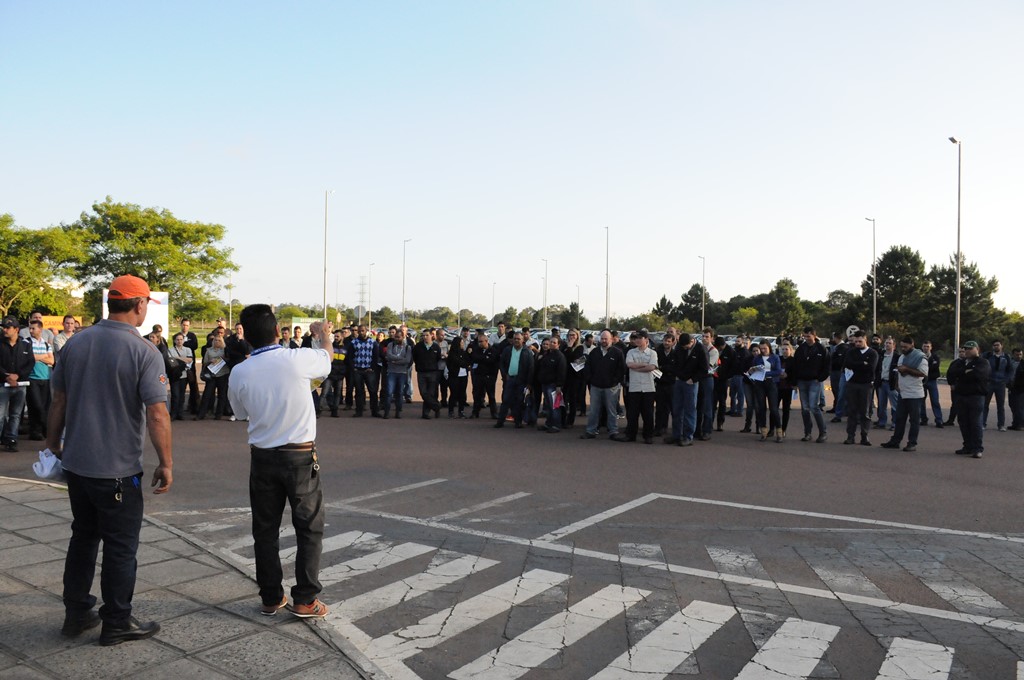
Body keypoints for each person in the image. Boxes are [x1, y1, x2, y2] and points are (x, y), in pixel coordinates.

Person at [47, 274, 172, 645]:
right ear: (138, 305)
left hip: (77, 465)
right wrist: (166, 462)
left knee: (83, 538)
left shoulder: (76, 343)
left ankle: (76, 613)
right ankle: (117, 620)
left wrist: (54, 443)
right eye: (146, 303)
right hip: (117, 470)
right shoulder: (144, 352)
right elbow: (157, 414)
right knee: (120, 547)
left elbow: (58, 401)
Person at [228, 306, 332, 619]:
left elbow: (241, 412)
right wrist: (322, 334)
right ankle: (305, 598)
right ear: (278, 331)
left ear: (245, 335)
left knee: (265, 530)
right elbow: (326, 358)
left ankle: (272, 596)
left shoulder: (240, 371)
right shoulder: (296, 360)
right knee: (309, 528)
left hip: (261, 457)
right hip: (299, 456)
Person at [881, 336, 927, 452]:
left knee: (914, 420)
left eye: (905, 347)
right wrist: (897, 383)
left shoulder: (920, 357)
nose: (903, 349)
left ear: (912, 345)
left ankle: (912, 443)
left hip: (915, 394)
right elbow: (898, 371)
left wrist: (907, 369)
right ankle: (895, 441)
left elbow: (923, 373)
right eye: (901, 347)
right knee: (900, 418)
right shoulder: (902, 356)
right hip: (903, 392)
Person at [579, 330, 625, 439]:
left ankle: (613, 431)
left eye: (606, 339)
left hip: (612, 387)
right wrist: (591, 379)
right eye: (602, 338)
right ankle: (591, 431)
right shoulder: (594, 352)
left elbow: (621, 370)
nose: (604, 341)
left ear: (611, 340)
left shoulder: (617, 353)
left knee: (611, 410)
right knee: (594, 410)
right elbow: (588, 367)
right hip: (596, 386)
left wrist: (614, 381)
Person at [664, 333, 707, 447]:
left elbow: (704, 369)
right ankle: (676, 435)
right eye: (682, 346)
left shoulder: (700, 349)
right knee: (677, 409)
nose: (684, 348)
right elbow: (675, 362)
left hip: (691, 383)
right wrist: (676, 374)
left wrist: (693, 379)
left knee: (690, 410)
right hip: (679, 381)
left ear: (692, 341)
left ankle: (688, 436)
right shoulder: (680, 347)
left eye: (686, 346)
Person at [948, 341, 989, 458]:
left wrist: (963, 374)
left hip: (976, 396)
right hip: (961, 396)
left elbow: (979, 375)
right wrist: (965, 372)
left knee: (975, 422)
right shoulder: (960, 363)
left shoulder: (983, 362)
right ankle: (968, 446)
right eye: (966, 349)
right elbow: (951, 374)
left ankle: (977, 448)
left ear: (977, 349)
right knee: (963, 422)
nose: (967, 351)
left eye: (970, 349)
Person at [616, 329, 658, 444]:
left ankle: (648, 435)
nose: (637, 340)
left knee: (648, 413)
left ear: (646, 340)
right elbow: (629, 364)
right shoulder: (631, 352)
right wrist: (644, 364)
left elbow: (652, 367)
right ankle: (631, 435)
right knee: (632, 413)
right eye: (636, 338)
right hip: (634, 387)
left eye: (640, 338)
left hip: (648, 387)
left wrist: (638, 367)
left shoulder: (652, 353)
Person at [0, 315, 34, 452]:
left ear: (16, 329)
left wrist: (18, 375)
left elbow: (30, 363)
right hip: (2, 385)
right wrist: (6, 376)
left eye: (8, 327)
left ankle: (11, 439)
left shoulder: (26, 344)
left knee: (15, 414)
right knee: (1, 415)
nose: (5, 330)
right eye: (3, 327)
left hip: (20, 385)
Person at [793, 326, 830, 443]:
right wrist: (795, 381)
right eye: (804, 336)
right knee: (805, 409)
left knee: (814, 407)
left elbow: (827, 365)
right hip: (802, 381)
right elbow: (795, 365)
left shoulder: (821, 349)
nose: (806, 338)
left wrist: (820, 378)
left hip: (815, 381)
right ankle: (807, 433)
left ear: (814, 336)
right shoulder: (800, 349)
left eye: (808, 336)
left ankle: (823, 432)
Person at [842, 331, 878, 446]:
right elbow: (847, 364)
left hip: (866, 385)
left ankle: (864, 436)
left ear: (865, 340)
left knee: (865, 412)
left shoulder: (873, 353)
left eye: (860, 341)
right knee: (852, 410)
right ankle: (850, 436)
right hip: (852, 383)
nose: (857, 343)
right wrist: (862, 363)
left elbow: (871, 368)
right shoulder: (851, 351)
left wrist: (858, 365)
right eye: (855, 341)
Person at [495, 331, 534, 429]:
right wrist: (505, 375)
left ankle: (518, 422)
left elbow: (531, 368)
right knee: (506, 400)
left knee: (519, 402)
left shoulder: (527, 352)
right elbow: (502, 363)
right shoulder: (507, 350)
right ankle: (500, 421)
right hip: (509, 379)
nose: (516, 340)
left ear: (523, 340)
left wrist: (529, 383)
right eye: (515, 338)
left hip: (522, 381)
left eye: (518, 339)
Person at [25, 319, 55, 440]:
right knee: (36, 405)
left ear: (40, 329)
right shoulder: (26, 342)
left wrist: (37, 357)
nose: (31, 330)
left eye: (33, 328)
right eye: (30, 328)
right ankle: (45, 429)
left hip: (45, 378)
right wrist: (44, 356)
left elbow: (52, 361)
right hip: (32, 378)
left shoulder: (46, 344)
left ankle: (36, 431)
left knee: (44, 405)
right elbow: (29, 357)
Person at [748, 340, 782, 442]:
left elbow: (778, 371)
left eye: (765, 348)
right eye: (761, 349)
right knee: (761, 408)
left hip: (771, 383)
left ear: (769, 347)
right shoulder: (757, 358)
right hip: (760, 384)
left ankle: (779, 431)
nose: (763, 351)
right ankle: (763, 431)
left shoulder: (775, 357)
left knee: (774, 409)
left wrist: (765, 374)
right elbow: (753, 369)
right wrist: (751, 371)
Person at [534, 335, 567, 433]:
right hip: (545, 384)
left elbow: (562, 372)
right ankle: (549, 423)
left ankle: (556, 425)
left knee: (554, 406)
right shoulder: (547, 354)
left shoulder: (560, 357)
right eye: (551, 342)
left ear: (558, 344)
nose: (552, 344)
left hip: (553, 385)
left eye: (554, 343)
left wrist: (559, 386)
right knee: (548, 406)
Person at [349, 325, 381, 418]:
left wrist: (372, 367)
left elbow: (376, 356)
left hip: (369, 370)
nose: (361, 333)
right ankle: (359, 411)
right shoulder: (353, 342)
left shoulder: (373, 342)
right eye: (359, 331)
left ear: (367, 331)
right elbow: (350, 357)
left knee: (373, 391)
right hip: (357, 370)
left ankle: (374, 411)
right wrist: (353, 368)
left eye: (363, 331)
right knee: (359, 391)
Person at [197, 335, 230, 420]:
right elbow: (204, 362)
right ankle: (201, 414)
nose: (217, 342)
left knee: (221, 395)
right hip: (212, 375)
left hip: (222, 374)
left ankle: (218, 414)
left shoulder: (224, 350)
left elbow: (229, 360)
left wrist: (223, 359)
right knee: (207, 395)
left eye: (219, 340)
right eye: (215, 340)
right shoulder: (208, 351)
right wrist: (209, 361)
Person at [983, 340, 1013, 431]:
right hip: (989, 383)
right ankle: (982, 423)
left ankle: (1001, 425)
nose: (996, 347)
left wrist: (1006, 380)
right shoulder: (988, 356)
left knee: (1000, 405)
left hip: (1001, 383)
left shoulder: (1006, 357)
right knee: (985, 404)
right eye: (994, 345)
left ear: (1001, 346)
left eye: (998, 345)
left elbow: (1010, 370)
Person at [383, 328, 413, 418]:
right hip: (391, 372)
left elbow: (407, 360)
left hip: (402, 373)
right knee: (389, 392)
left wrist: (394, 361)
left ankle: (398, 411)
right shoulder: (390, 345)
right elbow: (388, 356)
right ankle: (386, 412)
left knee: (399, 393)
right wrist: (399, 359)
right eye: (395, 337)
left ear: (403, 337)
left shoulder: (408, 347)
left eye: (398, 337)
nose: (396, 339)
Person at [467, 333, 499, 419]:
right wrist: (484, 358)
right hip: (479, 376)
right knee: (477, 395)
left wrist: (482, 358)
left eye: (481, 341)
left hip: (489, 376)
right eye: (478, 342)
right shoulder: (477, 350)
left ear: (486, 341)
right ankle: (475, 412)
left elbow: (492, 361)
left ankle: (494, 413)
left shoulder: (493, 350)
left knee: (491, 396)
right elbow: (474, 358)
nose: (480, 343)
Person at [413, 329, 442, 419]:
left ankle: (425, 413)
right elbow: (415, 357)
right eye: (423, 335)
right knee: (423, 393)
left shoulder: (436, 347)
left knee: (430, 393)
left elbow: (438, 358)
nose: (425, 337)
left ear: (431, 336)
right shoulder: (418, 346)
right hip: (421, 372)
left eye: (427, 335)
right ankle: (436, 406)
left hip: (433, 372)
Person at [653, 333, 677, 437]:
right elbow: (656, 368)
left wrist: (665, 368)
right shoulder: (657, 352)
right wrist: (664, 369)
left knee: (671, 408)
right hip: (660, 383)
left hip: (671, 384)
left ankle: (669, 428)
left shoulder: (676, 354)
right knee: (659, 407)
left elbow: (675, 368)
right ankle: (658, 427)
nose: (666, 343)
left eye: (668, 341)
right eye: (665, 341)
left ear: (673, 342)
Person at [167, 332, 194, 421]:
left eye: (181, 339)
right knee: (175, 395)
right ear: (174, 341)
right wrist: (183, 359)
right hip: (174, 375)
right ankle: (173, 414)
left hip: (184, 375)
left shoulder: (188, 349)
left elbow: (190, 360)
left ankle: (180, 413)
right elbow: (172, 362)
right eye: (177, 339)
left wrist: (178, 358)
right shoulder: (170, 350)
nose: (179, 341)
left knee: (182, 395)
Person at [179, 319, 200, 415]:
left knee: (193, 386)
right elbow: (177, 346)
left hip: (191, 366)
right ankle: (179, 408)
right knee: (181, 387)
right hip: (181, 365)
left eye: (187, 325)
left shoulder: (192, 336)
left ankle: (194, 407)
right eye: (183, 325)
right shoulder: (177, 336)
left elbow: (195, 346)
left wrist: (185, 344)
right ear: (181, 325)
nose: (185, 327)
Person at [446, 336, 470, 418]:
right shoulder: (452, 353)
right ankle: (451, 410)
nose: (463, 344)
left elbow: (467, 362)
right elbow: (458, 363)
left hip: (463, 376)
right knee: (454, 393)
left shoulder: (464, 353)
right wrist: (463, 363)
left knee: (462, 394)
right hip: (454, 376)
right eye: (461, 343)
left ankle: (461, 410)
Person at [920, 340, 943, 428]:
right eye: (924, 346)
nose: (926, 348)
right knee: (921, 401)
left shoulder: (935, 357)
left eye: (928, 346)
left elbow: (935, 368)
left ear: (931, 347)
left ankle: (939, 419)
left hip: (932, 381)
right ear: (922, 347)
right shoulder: (919, 357)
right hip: (922, 381)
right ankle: (923, 419)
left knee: (935, 401)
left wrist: (926, 369)